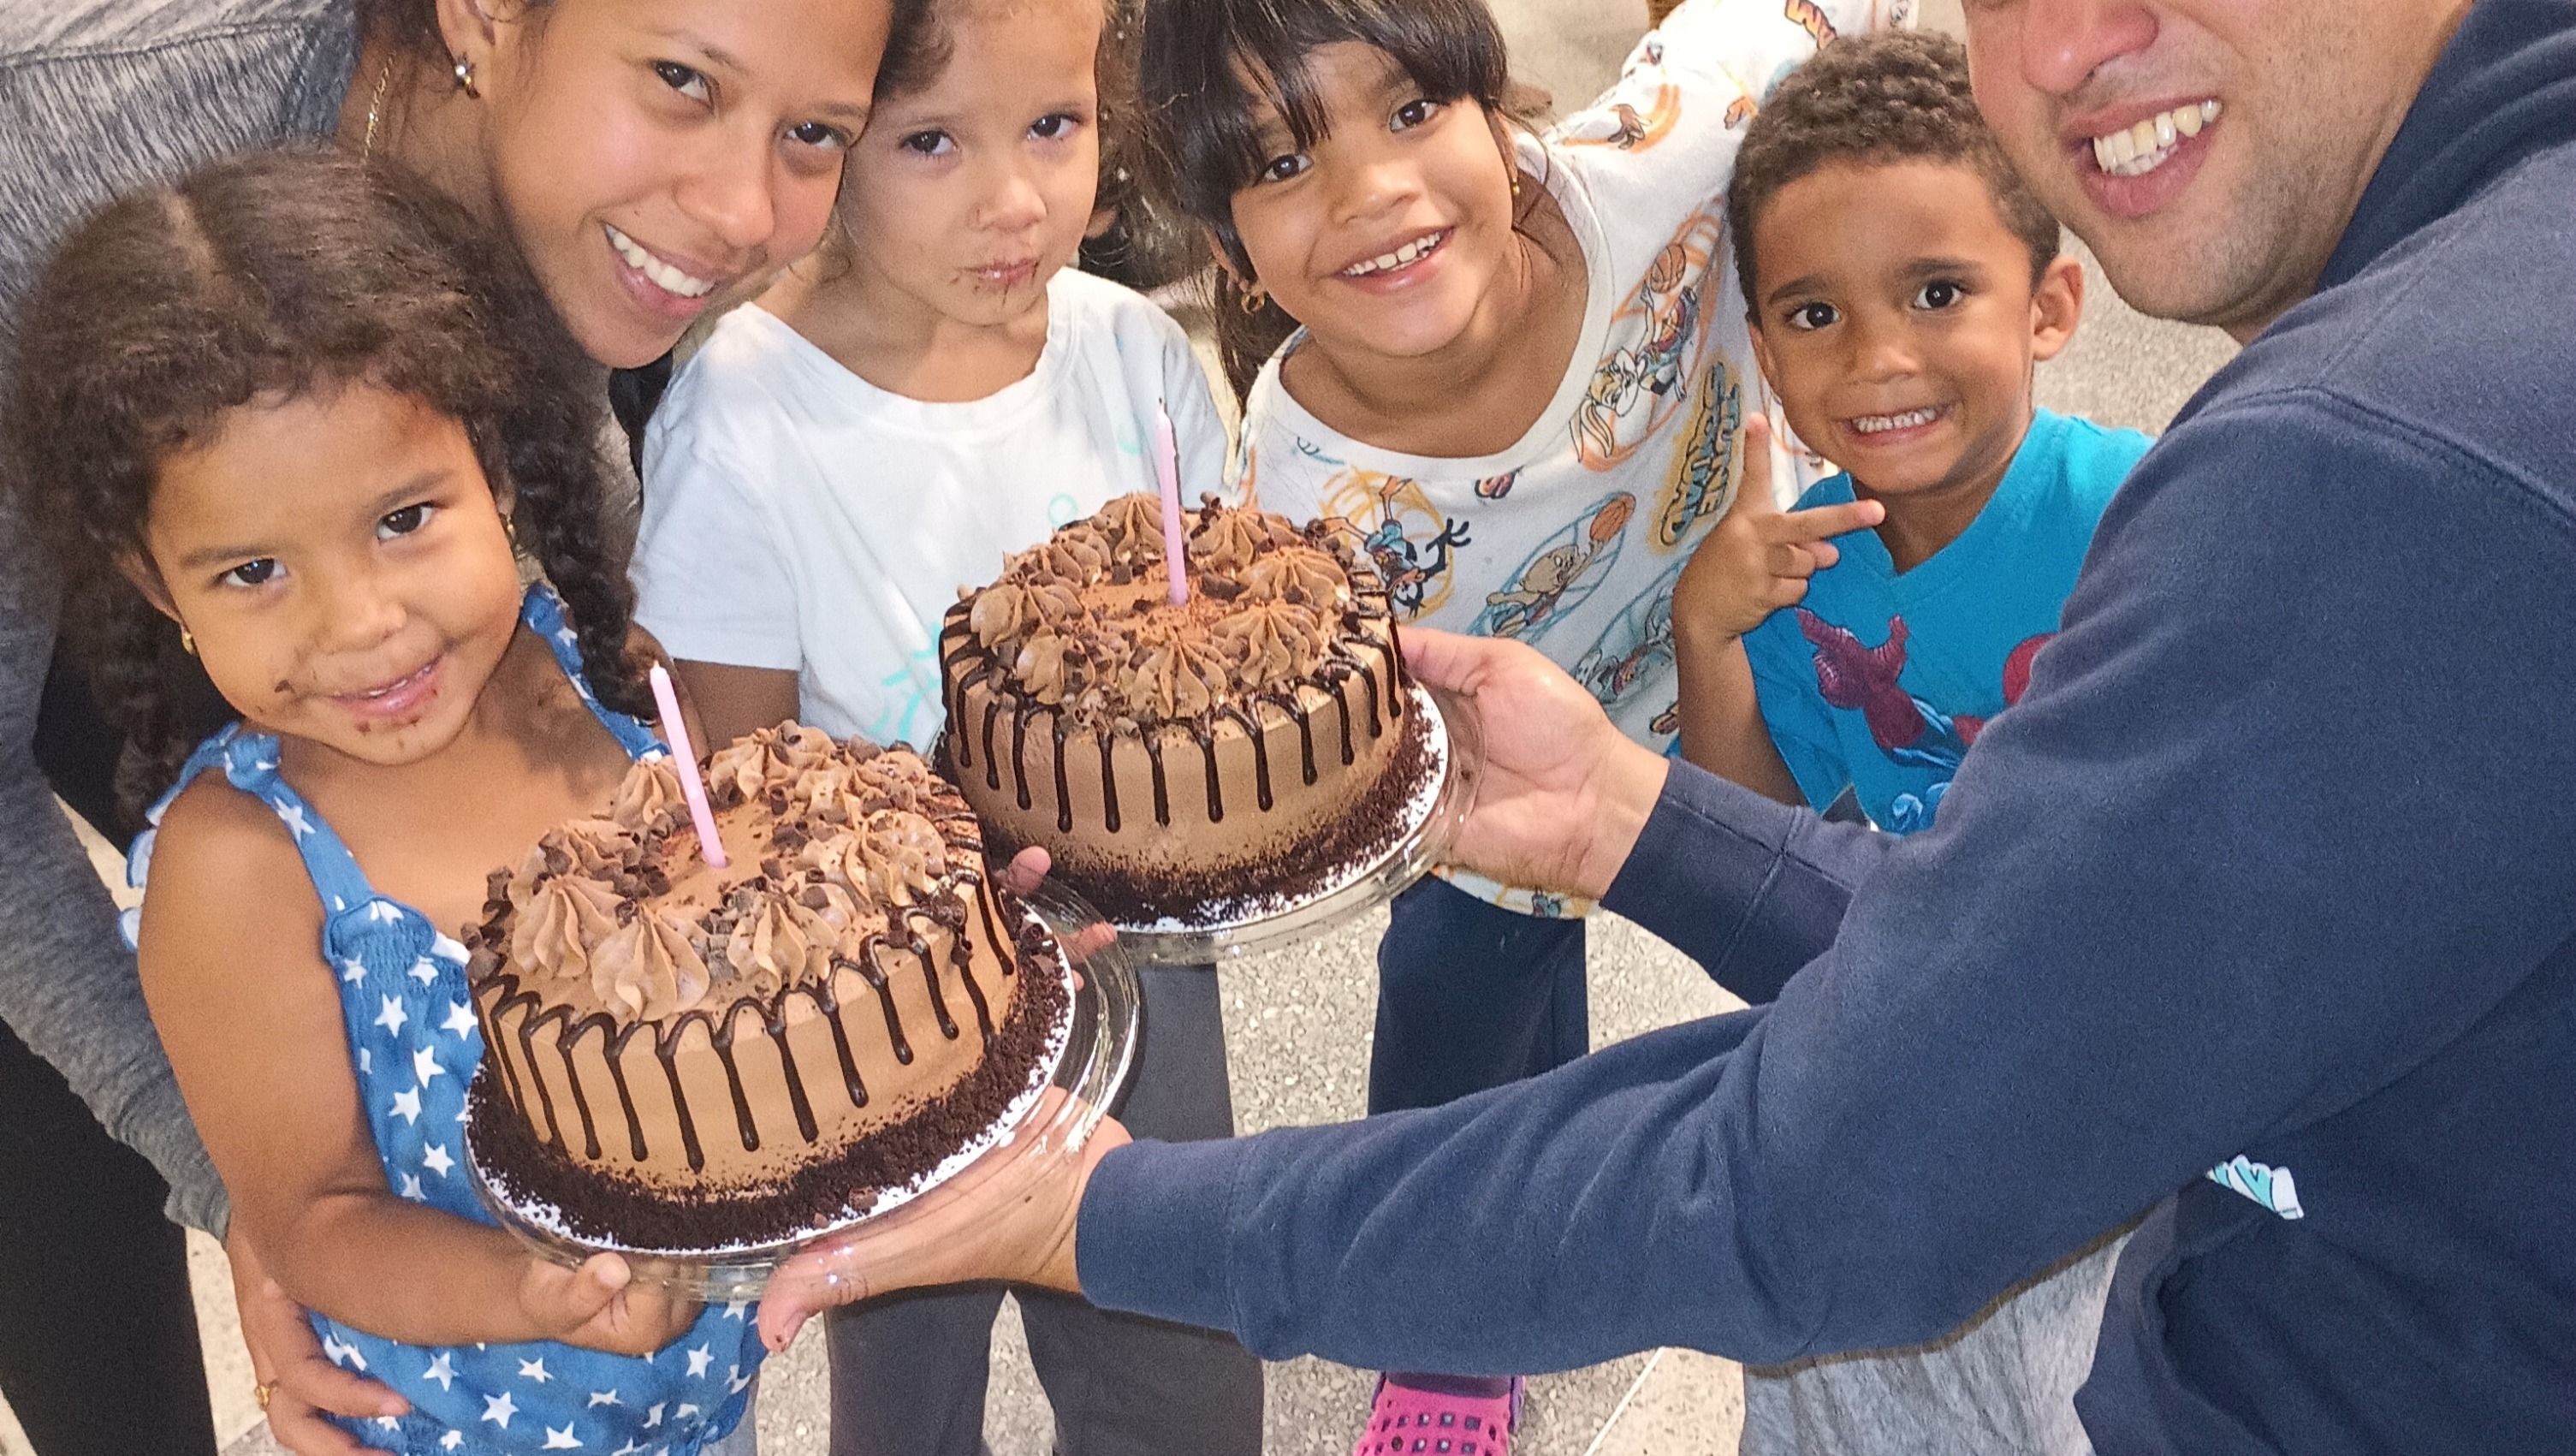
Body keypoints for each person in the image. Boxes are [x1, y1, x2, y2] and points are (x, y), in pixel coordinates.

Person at [753, 1, 2576, 1453]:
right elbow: (2048, 993)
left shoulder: (2368, 469)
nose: (2069, 42)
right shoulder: (2468, 333)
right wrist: (1637, 816)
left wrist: (1103, 1210)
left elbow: (1825, 1180)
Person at [0, 0, 884, 1447]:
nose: (742, 214)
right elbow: (314, 1205)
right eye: (680, 79)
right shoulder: (245, 867)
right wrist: (290, 1216)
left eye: (813, 132)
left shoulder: (573, 658)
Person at [1141, 0, 1888, 1441]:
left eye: (1412, 109)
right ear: (1227, 250)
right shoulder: (1291, 497)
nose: (1371, 189)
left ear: (1497, 106)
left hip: (1770, 681)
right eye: (1283, 161)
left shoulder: (1670, 156)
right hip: (1496, 793)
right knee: (1452, 1047)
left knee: (1861, 978)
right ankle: (1454, 1328)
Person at [629, 0, 1261, 1447]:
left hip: (1143, 953)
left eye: (1053, 125)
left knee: (1175, 1346)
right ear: (826, 147)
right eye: (930, 142)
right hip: (888, 1014)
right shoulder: (745, 416)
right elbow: (742, 795)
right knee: (906, 1375)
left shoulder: (1130, 353)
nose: (1016, 200)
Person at [1665, 33, 2152, 1453]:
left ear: (2049, 304)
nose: (1876, 357)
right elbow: (1756, 859)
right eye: (1813, 313)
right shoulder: (1797, 572)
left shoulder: (2140, 513)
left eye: (1937, 292)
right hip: (1923, 1025)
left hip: (2129, 1055)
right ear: (1765, 355)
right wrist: (1706, 633)